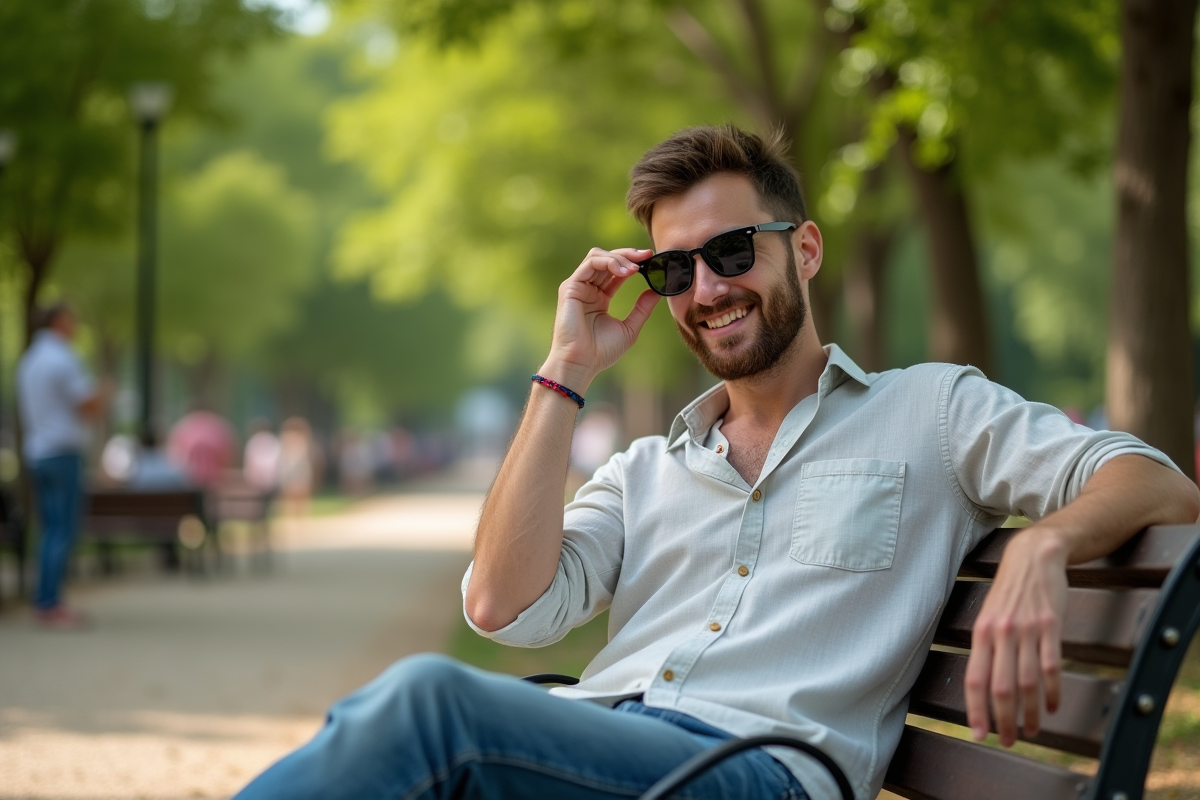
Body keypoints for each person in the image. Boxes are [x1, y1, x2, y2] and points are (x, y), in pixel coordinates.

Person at [235, 125, 1200, 800]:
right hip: (612, 751)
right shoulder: (645, 470)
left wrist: (1044, 548)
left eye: (732, 251)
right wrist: (564, 369)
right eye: (672, 269)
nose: (705, 289)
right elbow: (501, 606)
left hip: (759, 776)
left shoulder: (932, 409)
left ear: (806, 249)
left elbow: (1160, 481)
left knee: (424, 706)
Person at [16, 303, 112, 629]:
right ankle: (50, 602)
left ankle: (44, 600)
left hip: (37, 453)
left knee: (48, 529)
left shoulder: (28, 360)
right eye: (72, 319)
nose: (75, 325)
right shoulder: (63, 357)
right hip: (63, 453)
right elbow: (86, 406)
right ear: (59, 321)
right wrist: (105, 393)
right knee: (63, 529)